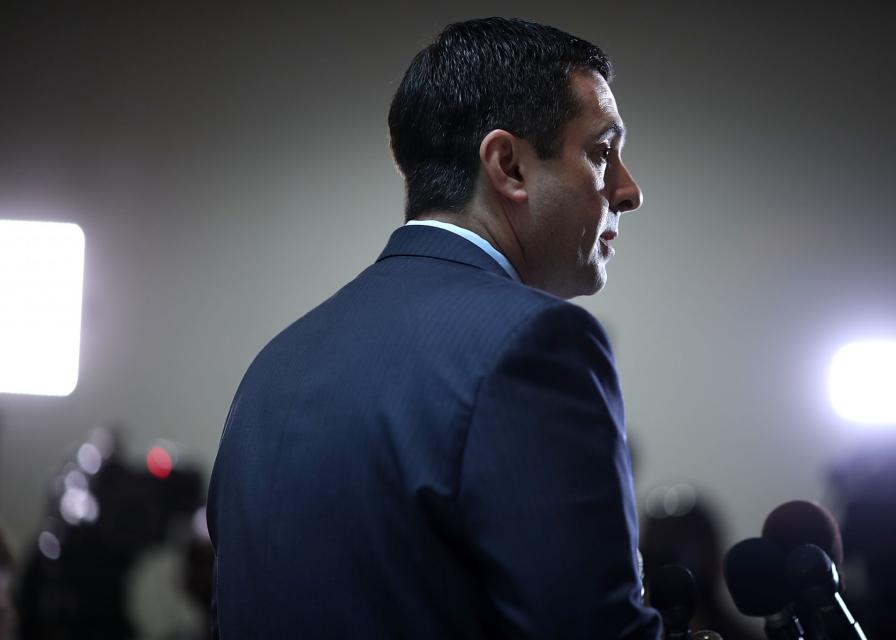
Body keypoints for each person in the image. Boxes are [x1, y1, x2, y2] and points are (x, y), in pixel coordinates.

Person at [208, 17, 661, 639]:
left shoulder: (274, 366)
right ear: (509, 165)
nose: (628, 191)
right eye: (602, 153)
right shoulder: (538, 345)